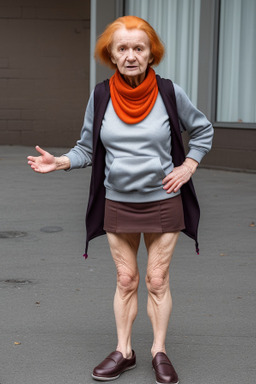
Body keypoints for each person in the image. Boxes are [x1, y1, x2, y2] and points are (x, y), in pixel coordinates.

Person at [28, 16, 213, 384]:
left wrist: (189, 165)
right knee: (126, 279)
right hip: (118, 201)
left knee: (157, 279)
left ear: (151, 54)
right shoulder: (100, 96)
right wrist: (61, 162)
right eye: (122, 48)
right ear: (111, 55)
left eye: (139, 48)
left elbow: (203, 129)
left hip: (163, 199)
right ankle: (124, 351)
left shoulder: (170, 93)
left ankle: (159, 351)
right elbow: (87, 149)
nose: (131, 56)